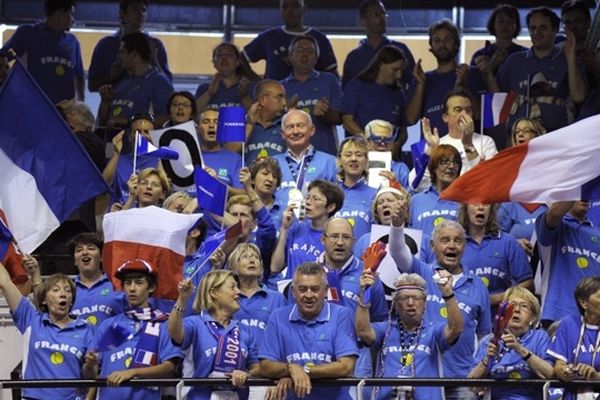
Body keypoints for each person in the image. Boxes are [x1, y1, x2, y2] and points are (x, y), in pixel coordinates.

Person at [393, 218, 491, 400]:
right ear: (432, 245)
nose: (452, 246)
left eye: (458, 240)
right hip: (423, 378)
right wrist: (397, 226)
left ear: (465, 245)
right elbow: (398, 252)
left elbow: (484, 335)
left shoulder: (478, 285)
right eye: (445, 240)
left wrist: (480, 371)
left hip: (463, 379)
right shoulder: (421, 272)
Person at [84, 259, 183, 400]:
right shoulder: (110, 325)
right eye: (128, 283)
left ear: (151, 287)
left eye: (139, 282)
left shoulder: (162, 323)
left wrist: (133, 372)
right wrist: (90, 364)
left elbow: (169, 368)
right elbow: (93, 373)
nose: (132, 288)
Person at [356, 271, 463, 400]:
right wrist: (365, 293)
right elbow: (363, 332)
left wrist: (448, 294)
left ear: (424, 304)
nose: (410, 303)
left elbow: (455, 329)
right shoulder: (386, 330)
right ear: (395, 304)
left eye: (416, 298)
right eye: (404, 298)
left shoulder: (433, 331)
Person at [259, 262, 358, 400]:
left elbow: (346, 367)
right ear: (293, 291)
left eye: (315, 289)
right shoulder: (277, 317)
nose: (309, 295)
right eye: (302, 289)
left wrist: (303, 371)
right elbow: (265, 366)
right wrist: (290, 369)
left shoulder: (341, 315)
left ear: (325, 291)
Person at [0, 261, 95, 400]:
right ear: (44, 299)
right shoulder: (30, 319)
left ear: (71, 300)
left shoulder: (86, 329)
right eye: (56, 290)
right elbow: (5, 283)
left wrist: (90, 364)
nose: (62, 294)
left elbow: (91, 375)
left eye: (67, 291)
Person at [487, 7, 588, 133]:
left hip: (557, 137)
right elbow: (496, 102)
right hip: (518, 138)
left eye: (543, 28)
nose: (537, 32)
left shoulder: (568, 58)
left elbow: (578, 97)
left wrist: (571, 57)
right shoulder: (514, 60)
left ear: (555, 30)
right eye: (533, 28)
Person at [169, 270, 260, 400]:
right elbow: (174, 332)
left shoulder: (244, 331)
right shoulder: (195, 324)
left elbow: (257, 367)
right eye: (232, 287)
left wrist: (246, 374)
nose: (239, 292)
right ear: (213, 293)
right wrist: (182, 299)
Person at [406, 20, 488, 137]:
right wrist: (420, 86)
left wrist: (463, 85)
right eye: (437, 40)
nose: (442, 45)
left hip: (466, 148)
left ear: (456, 44)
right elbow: (410, 119)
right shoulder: (423, 79)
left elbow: (481, 115)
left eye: (447, 40)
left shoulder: (471, 73)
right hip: (433, 150)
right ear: (431, 47)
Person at [469, 287, 554, 400]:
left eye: (523, 306)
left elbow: (550, 374)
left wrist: (519, 348)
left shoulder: (540, 337)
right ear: (504, 313)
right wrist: (487, 359)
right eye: (512, 305)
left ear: (532, 318)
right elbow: (471, 385)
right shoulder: (490, 340)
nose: (517, 310)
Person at [408, 90, 498, 193]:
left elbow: (488, 181)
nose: (464, 114)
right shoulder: (437, 144)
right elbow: (415, 186)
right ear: (445, 117)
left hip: (471, 201)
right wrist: (431, 150)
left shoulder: (486, 141)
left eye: (468, 110)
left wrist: (468, 144)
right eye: (458, 110)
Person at [0, 0, 84, 104]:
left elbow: (79, 76)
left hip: (65, 112)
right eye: (71, 14)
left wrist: (81, 104)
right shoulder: (28, 34)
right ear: (59, 13)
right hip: (33, 107)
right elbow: (3, 57)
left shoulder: (72, 42)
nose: (73, 19)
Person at [458, 203, 533, 312]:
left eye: (486, 203)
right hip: (465, 317)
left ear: (492, 210)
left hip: (500, 319)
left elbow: (528, 284)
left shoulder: (508, 242)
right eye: (475, 203)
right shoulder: (456, 243)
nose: (480, 207)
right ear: (465, 208)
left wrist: (496, 299)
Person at [536, 201, 600, 325]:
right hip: (556, 315)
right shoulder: (554, 223)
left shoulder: (597, 233)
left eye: (587, 192)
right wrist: (574, 186)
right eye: (579, 192)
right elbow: (554, 213)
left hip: (594, 319)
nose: (584, 197)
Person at [242, 0, 338, 80]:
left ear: (304, 9)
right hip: (274, 99)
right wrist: (258, 83)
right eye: (285, 6)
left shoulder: (319, 38)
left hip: (310, 98)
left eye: (295, 6)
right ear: (280, 10)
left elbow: (332, 72)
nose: (290, 11)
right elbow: (242, 58)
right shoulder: (268, 37)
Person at [88, 0, 171, 92]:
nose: (140, 14)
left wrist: (153, 61)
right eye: (135, 9)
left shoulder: (155, 45)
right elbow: (92, 85)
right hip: (116, 103)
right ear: (122, 12)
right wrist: (110, 76)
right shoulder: (106, 45)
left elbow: (168, 86)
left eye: (144, 10)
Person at [97, 31, 174, 130]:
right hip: (112, 142)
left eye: (122, 52)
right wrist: (105, 103)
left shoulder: (159, 82)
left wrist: (129, 121)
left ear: (134, 54)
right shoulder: (122, 82)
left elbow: (169, 119)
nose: (118, 56)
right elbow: (103, 122)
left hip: (140, 142)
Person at [281, 35, 342, 155]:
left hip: (325, 153)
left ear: (316, 58)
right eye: (299, 51)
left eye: (310, 51)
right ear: (290, 57)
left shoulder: (329, 80)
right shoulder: (280, 87)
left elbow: (340, 119)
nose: (304, 55)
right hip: (290, 155)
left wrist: (324, 115)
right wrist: (286, 112)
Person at [271, 179, 344, 279]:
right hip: (291, 292)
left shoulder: (335, 238)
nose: (308, 202)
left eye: (316, 199)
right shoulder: (295, 229)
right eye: (308, 198)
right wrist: (284, 228)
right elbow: (275, 268)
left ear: (331, 207)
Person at [497, 118, 547, 254]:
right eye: (517, 132)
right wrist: (514, 243)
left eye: (526, 131)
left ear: (537, 135)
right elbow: (496, 236)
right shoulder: (506, 167)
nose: (520, 134)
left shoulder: (549, 163)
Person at [342, 46, 408, 147]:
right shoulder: (357, 87)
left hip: (390, 155)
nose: (399, 75)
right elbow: (347, 121)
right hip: (361, 153)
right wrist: (367, 141)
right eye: (395, 69)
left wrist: (397, 144)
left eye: (401, 70)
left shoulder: (398, 93)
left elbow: (403, 130)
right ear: (381, 64)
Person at [342, 0, 415, 90]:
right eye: (375, 15)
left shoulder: (400, 49)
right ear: (363, 22)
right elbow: (347, 92)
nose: (382, 18)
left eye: (383, 14)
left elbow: (414, 84)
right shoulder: (353, 58)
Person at [272, 109, 337, 209]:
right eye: (290, 127)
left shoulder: (330, 162)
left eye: (300, 126)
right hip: (280, 223)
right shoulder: (272, 163)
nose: (295, 131)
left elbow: (338, 199)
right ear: (282, 134)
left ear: (312, 130)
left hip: (318, 224)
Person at [549, 277, 600, 400]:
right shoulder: (568, 323)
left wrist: (596, 377)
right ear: (584, 303)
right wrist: (564, 371)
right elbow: (558, 364)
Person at [66, 233, 125, 326]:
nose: (85, 252)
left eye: (91, 248)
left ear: (102, 257)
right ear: (74, 261)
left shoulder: (118, 285)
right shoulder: (67, 290)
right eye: (79, 250)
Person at [102, 114, 161, 205]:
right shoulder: (119, 160)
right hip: (120, 214)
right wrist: (116, 153)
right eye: (137, 132)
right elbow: (103, 186)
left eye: (146, 132)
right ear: (130, 136)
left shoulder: (159, 162)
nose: (142, 136)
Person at [409, 144, 461, 237]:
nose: (451, 166)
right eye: (445, 162)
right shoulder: (415, 201)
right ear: (434, 167)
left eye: (455, 162)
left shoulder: (465, 201)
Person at [334, 137, 377, 240]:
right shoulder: (329, 194)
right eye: (348, 155)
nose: (353, 159)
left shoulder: (376, 194)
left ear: (366, 160)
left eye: (359, 155)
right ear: (340, 160)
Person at [195, 42, 258, 113]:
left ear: (237, 62)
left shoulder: (251, 87)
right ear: (214, 63)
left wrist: (244, 96)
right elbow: (193, 116)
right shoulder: (204, 88)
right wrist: (209, 94)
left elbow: (258, 117)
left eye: (229, 54)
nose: (224, 57)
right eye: (219, 55)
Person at [470, 4, 526, 75]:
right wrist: (492, 64)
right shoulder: (480, 55)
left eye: (510, 22)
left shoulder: (525, 54)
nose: (505, 25)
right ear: (493, 24)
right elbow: (473, 83)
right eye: (501, 21)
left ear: (517, 26)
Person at [197, 109, 243, 189]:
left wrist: (218, 184)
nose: (211, 125)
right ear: (198, 129)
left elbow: (242, 194)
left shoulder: (235, 159)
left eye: (216, 122)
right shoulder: (188, 156)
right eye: (206, 122)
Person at [244, 79, 287, 164]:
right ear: (263, 99)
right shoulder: (240, 123)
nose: (284, 103)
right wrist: (249, 125)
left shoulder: (287, 125)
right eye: (279, 97)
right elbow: (229, 153)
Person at [363, 119, 410, 187]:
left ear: (392, 144)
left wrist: (395, 185)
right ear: (368, 143)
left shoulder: (401, 169)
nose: (382, 143)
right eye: (377, 139)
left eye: (387, 140)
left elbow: (410, 196)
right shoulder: (360, 167)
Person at [248, 157, 284, 230]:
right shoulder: (241, 206)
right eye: (265, 174)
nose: (270, 179)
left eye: (274, 176)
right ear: (252, 179)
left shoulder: (284, 211)